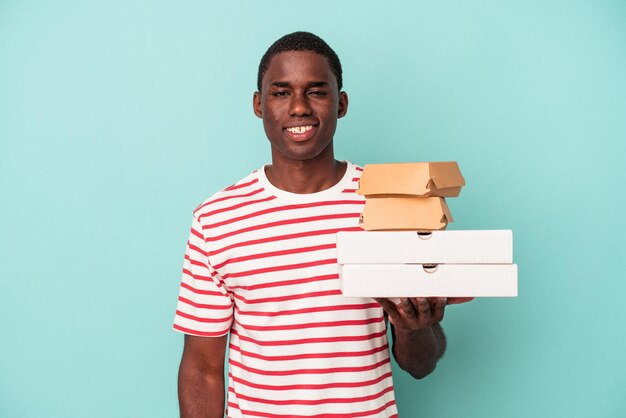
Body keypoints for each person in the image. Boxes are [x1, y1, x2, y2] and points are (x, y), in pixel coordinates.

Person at [174, 31, 467, 418]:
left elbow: (420, 365)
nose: (298, 108)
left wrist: (415, 328)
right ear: (259, 105)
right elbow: (202, 369)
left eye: (316, 91)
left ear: (340, 103)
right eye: (280, 93)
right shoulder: (217, 218)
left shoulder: (389, 205)